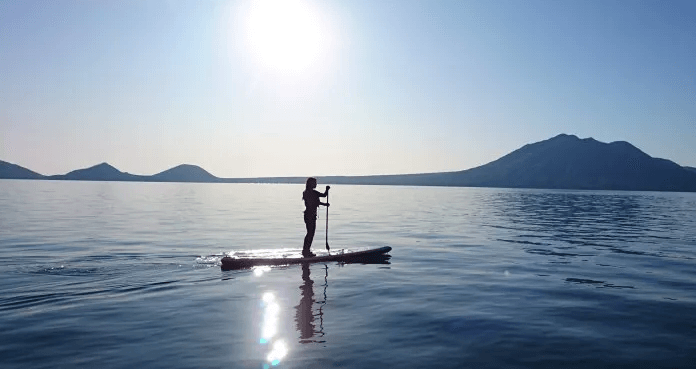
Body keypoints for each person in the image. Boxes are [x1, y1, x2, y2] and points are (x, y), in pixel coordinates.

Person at [302, 177, 329, 257]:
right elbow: (322, 196)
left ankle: (306, 250)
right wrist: (327, 190)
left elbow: (321, 197)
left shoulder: (308, 192)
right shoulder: (310, 193)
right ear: (311, 184)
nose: (316, 184)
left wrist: (325, 204)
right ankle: (306, 251)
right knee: (310, 233)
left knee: (310, 233)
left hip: (309, 215)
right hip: (309, 216)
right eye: (315, 183)